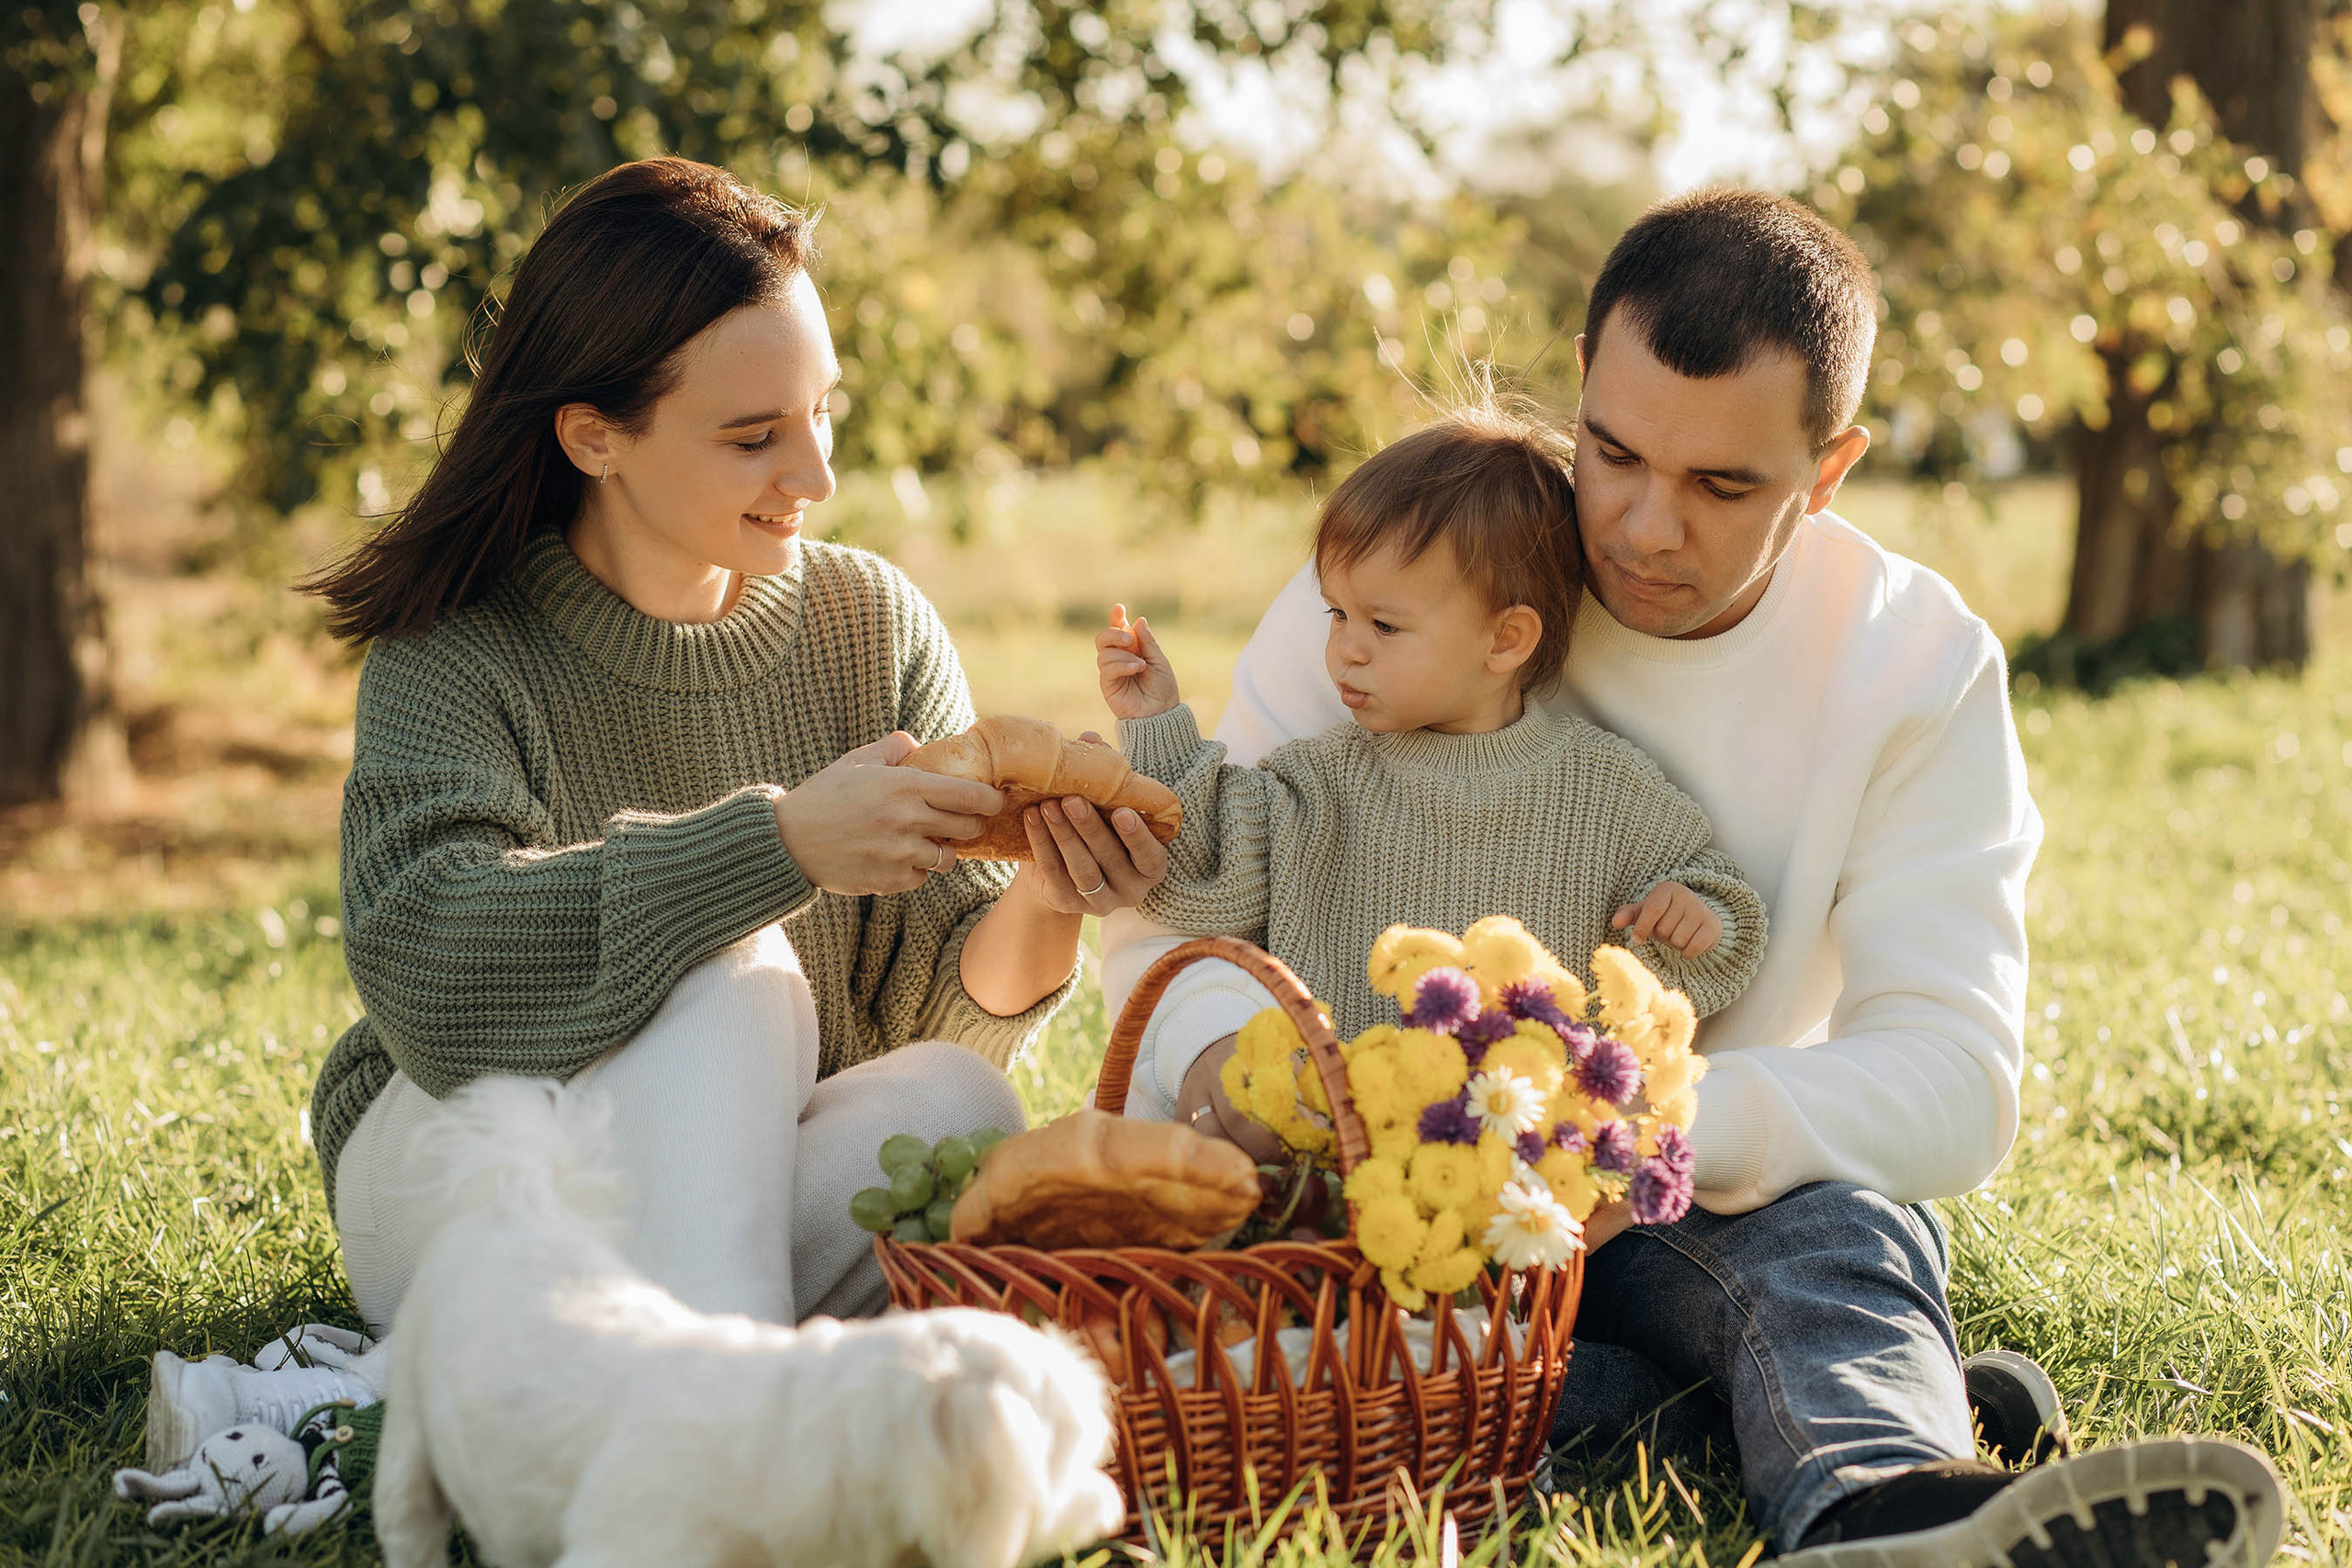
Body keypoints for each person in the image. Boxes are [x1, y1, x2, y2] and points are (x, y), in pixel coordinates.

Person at [1101, 188, 2284, 1565]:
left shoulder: (1912, 663)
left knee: (1835, 1235)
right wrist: (1254, 1090)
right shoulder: (1406, 572)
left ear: (1829, 471)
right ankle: (1844, 1413)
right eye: (1611, 452)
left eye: (1725, 485)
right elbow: (1181, 917)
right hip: (1375, 1214)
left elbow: (1956, 1077)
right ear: (1583, 389)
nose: (1646, 528)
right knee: (1348, 1386)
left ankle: (1875, 1503)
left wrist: (1637, 1130)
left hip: (1690, 1214)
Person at [143, 155, 1170, 1469]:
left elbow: (914, 1011)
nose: (815, 470)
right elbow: (427, 966)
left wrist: (1043, 896)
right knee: (741, 967)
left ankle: (433, 1393)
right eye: (754, 436)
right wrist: (781, 844)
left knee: (960, 1104)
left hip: (712, 1192)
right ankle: (735, 1448)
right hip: (473, 1169)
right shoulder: (458, 649)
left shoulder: (872, 624)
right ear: (594, 434)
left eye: (823, 412)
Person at [1094, 407, 1766, 1122]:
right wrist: (1156, 722)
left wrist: (1698, 918)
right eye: (1337, 614)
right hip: (1332, 1165)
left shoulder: (1607, 792)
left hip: (1521, 1171)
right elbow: (1200, 864)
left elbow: (1719, 923)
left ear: (1506, 639)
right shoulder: (1317, 785)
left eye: (1383, 625)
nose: (1347, 649)